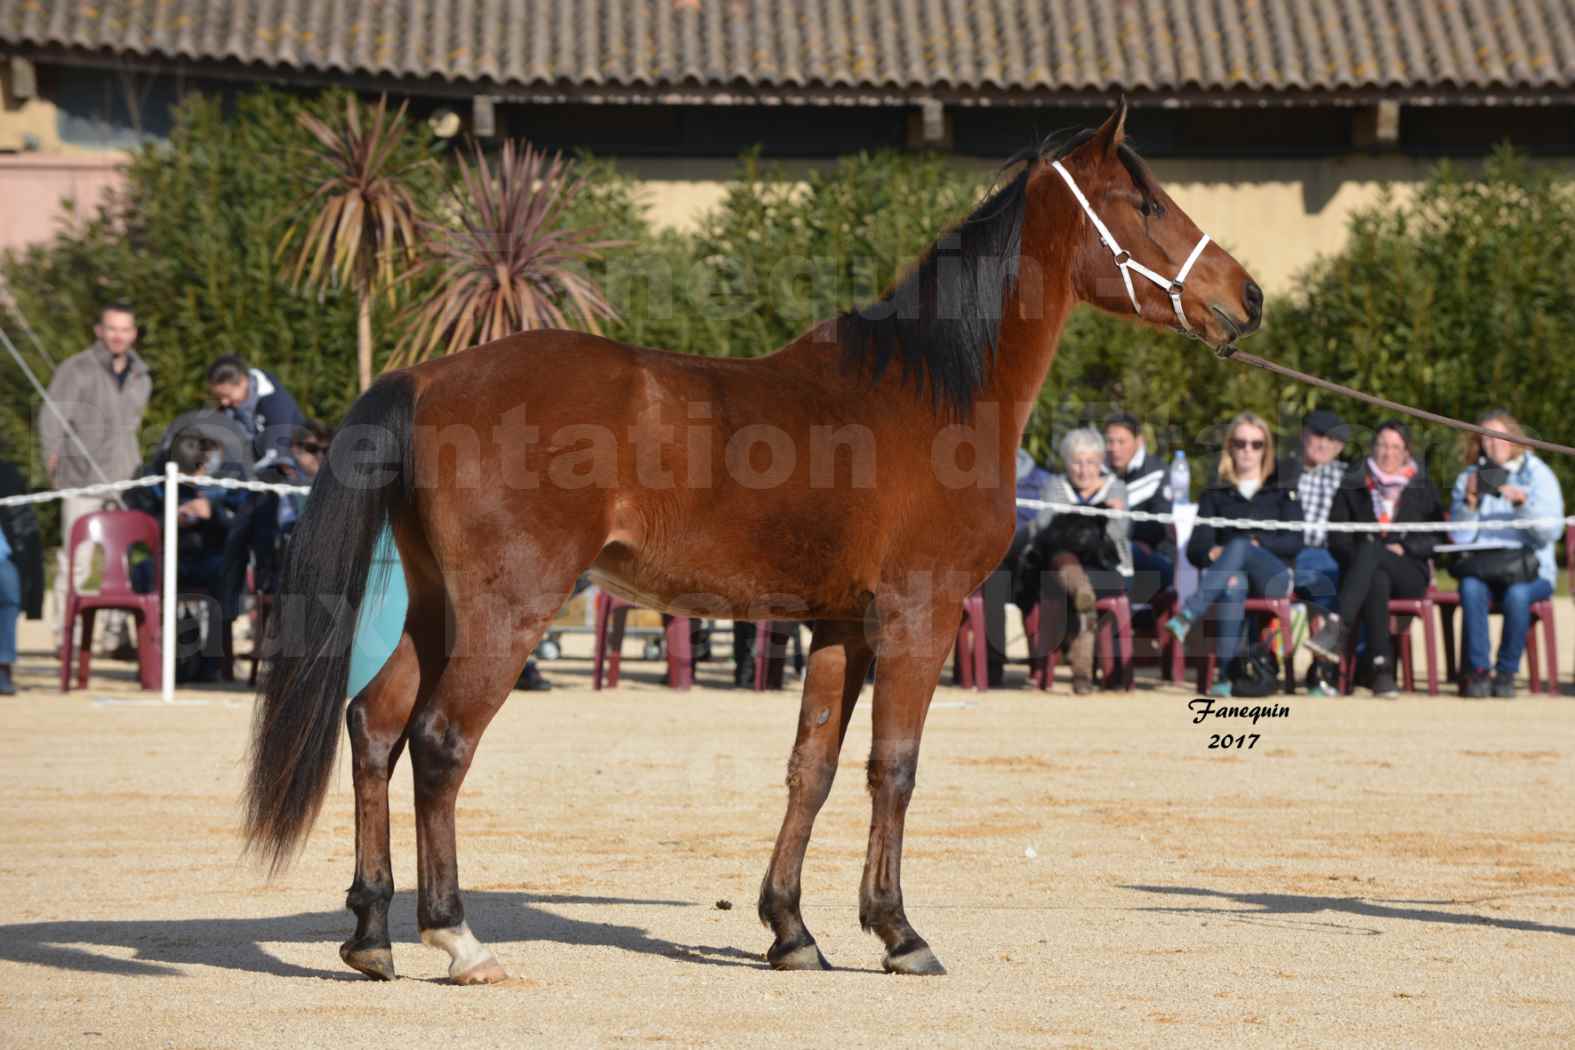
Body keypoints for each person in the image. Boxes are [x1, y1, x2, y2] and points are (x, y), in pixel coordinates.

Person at [1165, 411, 1303, 697]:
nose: (1248, 451)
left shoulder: (1281, 490)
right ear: (1229, 446)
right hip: (1230, 577)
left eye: (1256, 444)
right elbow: (1197, 549)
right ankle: (1226, 675)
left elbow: (1294, 542)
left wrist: (1256, 545)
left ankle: (1190, 612)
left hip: (1274, 577)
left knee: (1240, 544)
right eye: (1240, 443)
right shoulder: (1215, 494)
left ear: (1266, 449)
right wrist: (1216, 553)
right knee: (1232, 584)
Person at [39, 303, 152, 654]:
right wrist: (52, 460)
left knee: (123, 559)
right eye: (112, 328)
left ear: (134, 334)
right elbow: (51, 418)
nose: (119, 336)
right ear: (99, 330)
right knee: (79, 558)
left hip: (125, 477)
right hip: (80, 476)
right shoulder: (76, 368)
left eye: (126, 329)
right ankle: (66, 636)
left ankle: (115, 638)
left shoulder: (142, 374)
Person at [1303, 422, 1445, 697]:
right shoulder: (1353, 485)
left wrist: (1407, 548)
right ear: (1373, 448)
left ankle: (1336, 628)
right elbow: (1338, 539)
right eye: (1382, 445)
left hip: (1409, 572)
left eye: (1395, 447)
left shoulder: (1423, 486)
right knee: (1375, 572)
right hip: (1363, 575)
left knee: (1371, 550)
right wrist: (1366, 559)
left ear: (1406, 452)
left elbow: (1437, 537)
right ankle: (1381, 670)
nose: (1388, 453)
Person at [1448, 410, 1565, 699]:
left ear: (1512, 438)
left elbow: (1552, 533)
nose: (1492, 444)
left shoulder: (1537, 474)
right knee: (1470, 587)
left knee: (1518, 595)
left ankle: (1506, 672)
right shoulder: (1470, 477)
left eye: (1499, 437)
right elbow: (1459, 537)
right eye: (1485, 438)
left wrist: (1522, 501)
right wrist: (1470, 500)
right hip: (1484, 568)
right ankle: (1478, 671)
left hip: (1530, 569)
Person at [1019, 428, 1132, 694]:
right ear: (1067, 463)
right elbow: (1045, 531)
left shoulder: (1117, 488)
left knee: (1082, 593)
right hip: (1060, 569)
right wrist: (1098, 516)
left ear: (1100, 462)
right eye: (1077, 462)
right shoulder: (1055, 486)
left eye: (1091, 462)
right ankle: (1082, 676)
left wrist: (1099, 518)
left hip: (1106, 568)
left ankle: (1082, 673)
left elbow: (1117, 534)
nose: (1084, 470)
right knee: (1063, 557)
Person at [1278, 407, 1351, 695]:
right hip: (1284, 552)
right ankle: (1320, 669)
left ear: (1341, 446)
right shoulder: (1281, 472)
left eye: (1332, 440)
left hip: (1328, 552)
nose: (1323, 444)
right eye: (1317, 435)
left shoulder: (1348, 477)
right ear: (1303, 435)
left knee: (1331, 576)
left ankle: (1321, 668)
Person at [1103, 412, 1174, 589]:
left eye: (1121, 442)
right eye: (1110, 441)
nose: (1114, 448)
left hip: (1153, 557)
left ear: (1138, 441)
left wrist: (1132, 537)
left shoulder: (1158, 473)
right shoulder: (1097, 472)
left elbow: (1161, 523)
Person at [207, 355, 307, 467]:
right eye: (218, 397)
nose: (223, 402)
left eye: (227, 395)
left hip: (289, 466)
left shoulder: (276, 404)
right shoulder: (229, 406)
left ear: (243, 382)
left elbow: (279, 458)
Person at [0, 454, 45, 696]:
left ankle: (3, 666)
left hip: (3, 557)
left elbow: (25, 527)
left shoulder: (7, 474)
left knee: (9, 592)